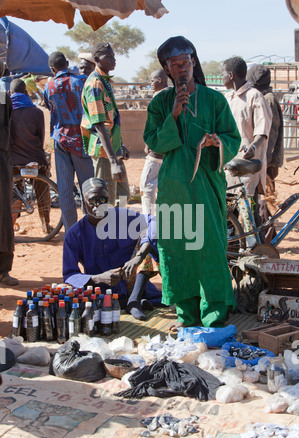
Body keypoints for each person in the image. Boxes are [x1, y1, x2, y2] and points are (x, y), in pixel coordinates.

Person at [143, 36, 241, 330]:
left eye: (186, 63)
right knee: (178, 249)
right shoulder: (160, 102)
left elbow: (232, 139)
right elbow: (153, 143)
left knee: (209, 247)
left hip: (207, 185)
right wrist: (173, 114)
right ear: (167, 69)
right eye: (175, 65)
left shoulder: (215, 100)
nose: (182, 69)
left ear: (193, 62)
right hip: (174, 187)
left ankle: (214, 315)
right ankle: (187, 316)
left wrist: (216, 142)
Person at [63, 178, 161, 320]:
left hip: (133, 284)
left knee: (151, 238)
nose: (98, 205)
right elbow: (69, 275)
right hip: (101, 291)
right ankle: (127, 303)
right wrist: (98, 278)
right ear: (84, 203)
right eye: (92, 201)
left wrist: (138, 257)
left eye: (102, 200)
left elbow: (155, 223)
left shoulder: (122, 217)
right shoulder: (75, 234)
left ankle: (134, 300)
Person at [222, 57, 272, 246]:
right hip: (229, 165)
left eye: (223, 74)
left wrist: (254, 146)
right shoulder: (228, 98)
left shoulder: (254, 96)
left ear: (231, 75)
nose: (222, 78)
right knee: (229, 216)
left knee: (249, 216)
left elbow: (262, 130)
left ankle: (257, 254)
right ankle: (234, 254)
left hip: (247, 167)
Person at [43, 51, 94, 233]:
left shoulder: (48, 87)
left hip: (60, 140)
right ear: (67, 62)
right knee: (88, 188)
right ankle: (90, 232)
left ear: (52, 69)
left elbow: (50, 108)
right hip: (81, 140)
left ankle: (71, 234)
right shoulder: (80, 82)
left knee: (65, 191)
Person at [81, 43, 130, 207]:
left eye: (113, 56)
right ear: (96, 59)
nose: (113, 60)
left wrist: (121, 145)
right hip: (104, 152)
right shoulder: (95, 84)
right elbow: (100, 125)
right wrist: (113, 162)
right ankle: (108, 232)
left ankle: (120, 231)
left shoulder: (104, 81)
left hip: (113, 149)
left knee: (123, 196)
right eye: (108, 56)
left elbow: (111, 118)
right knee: (105, 201)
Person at [9, 78, 51, 233]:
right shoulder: (37, 112)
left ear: (10, 93)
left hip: (14, 161)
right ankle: (46, 225)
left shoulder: (7, 110)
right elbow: (41, 140)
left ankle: (10, 224)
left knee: (12, 190)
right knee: (43, 190)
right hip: (36, 159)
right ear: (26, 93)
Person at [246, 64, 284, 192]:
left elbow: (270, 135)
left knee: (265, 201)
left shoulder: (268, 100)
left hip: (267, 161)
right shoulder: (264, 98)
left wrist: (263, 160)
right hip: (264, 160)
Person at [140, 69, 170, 214]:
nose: (151, 84)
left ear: (159, 80)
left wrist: (150, 144)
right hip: (168, 151)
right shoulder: (172, 95)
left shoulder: (159, 97)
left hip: (158, 152)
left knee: (146, 187)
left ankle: (149, 222)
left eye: (152, 81)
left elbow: (157, 124)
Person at [0, 60, 18, 286]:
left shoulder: (3, 96)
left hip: (1, 158)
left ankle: (3, 270)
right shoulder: (4, 96)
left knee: (4, 213)